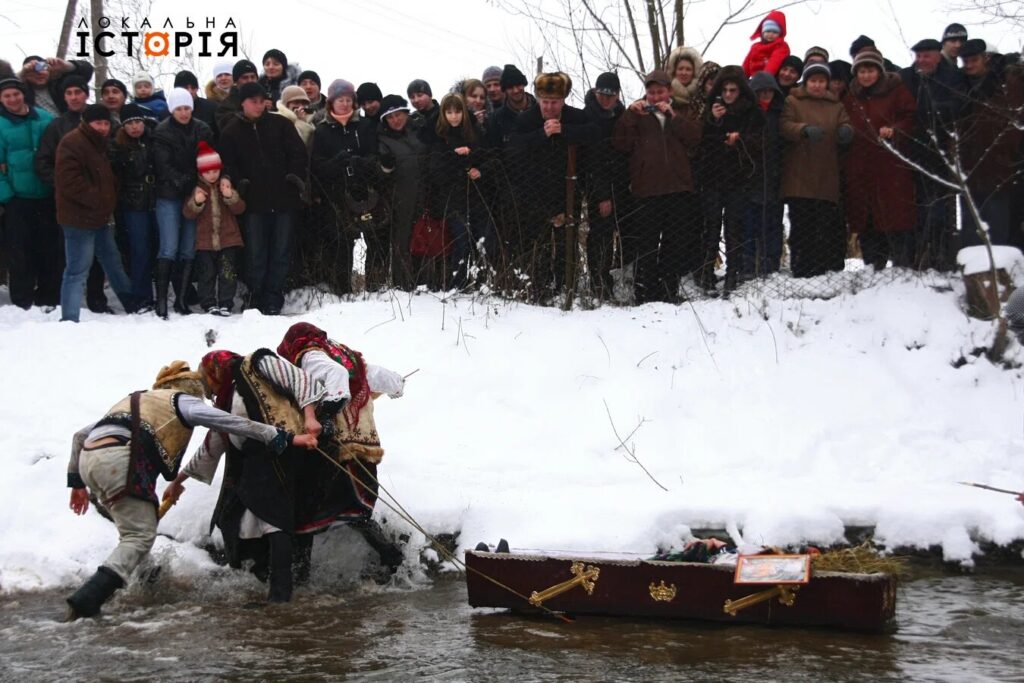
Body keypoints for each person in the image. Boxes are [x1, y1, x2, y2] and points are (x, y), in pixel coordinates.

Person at [66, 361, 318, 619]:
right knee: (138, 537)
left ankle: (147, 582)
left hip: (90, 460)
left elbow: (79, 436)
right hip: (121, 461)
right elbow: (230, 422)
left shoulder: (138, 400)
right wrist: (281, 437)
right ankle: (88, 599)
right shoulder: (183, 401)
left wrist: (76, 483)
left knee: (134, 532)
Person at [166, 350, 324, 603]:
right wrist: (178, 481)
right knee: (236, 518)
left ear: (216, 369)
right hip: (254, 462)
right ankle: (263, 582)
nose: (212, 389)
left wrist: (310, 417)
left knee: (275, 521)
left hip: (284, 451)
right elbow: (212, 446)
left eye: (210, 379)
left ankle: (280, 595)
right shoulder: (226, 399)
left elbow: (302, 380)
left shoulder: (258, 363)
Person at [275, 322, 407, 583]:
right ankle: (394, 560)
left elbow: (335, 376)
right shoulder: (346, 355)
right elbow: (382, 375)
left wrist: (327, 413)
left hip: (334, 447)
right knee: (356, 510)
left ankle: (299, 580)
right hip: (363, 449)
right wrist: (397, 387)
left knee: (305, 512)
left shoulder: (309, 355)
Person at [218, 82, 308, 315]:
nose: (259, 105)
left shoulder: (280, 124)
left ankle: (273, 294)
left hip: (284, 198)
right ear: (243, 103)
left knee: (281, 249)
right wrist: (242, 184)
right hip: (253, 202)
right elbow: (228, 163)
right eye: (253, 101)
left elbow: (299, 153)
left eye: (262, 101)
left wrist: (292, 178)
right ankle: (255, 294)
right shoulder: (232, 130)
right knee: (255, 252)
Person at [613, 70, 702, 303]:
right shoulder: (637, 114)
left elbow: (695, 138)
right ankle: (645, 293)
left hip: (678, 189)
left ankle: (668, 291)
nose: (655, 97)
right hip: (647, 190)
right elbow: (621, 144)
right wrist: (630, 116)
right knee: (648, 243)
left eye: (660, 91)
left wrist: (673, 116)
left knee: (674, 243)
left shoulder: (682, 111)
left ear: (669, 91)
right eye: (651, 92)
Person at [508, 72, 598, 301]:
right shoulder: (526, 119)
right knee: (539, 241)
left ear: (563, 100)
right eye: (545, 101)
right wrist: (542, 134)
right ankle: (539, 287)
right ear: (538, 99)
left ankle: (567, 287)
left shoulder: (575, 117)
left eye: (555, 102)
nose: (549, 107)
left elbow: (593, 135)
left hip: (568, 190)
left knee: (567, 240)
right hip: (534, 192)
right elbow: (513, 149)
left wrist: (565, 131)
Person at [55, 104, 141, 321]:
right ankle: (69, 317)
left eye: (105, 123)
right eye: (98, 123)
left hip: (100, 217)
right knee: (77, 269)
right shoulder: (72, 143)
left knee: (112, 262)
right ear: (86, 122)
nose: (102, 127)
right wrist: (99, 199)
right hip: (78, 218)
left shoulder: (99, 143)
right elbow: (69, 182)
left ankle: (131, 303)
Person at [34, 75, 110, 314]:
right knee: (69, 256)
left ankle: (97, 299)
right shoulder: (57, 126)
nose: (74, 97)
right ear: (64, 97)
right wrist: (63, 186)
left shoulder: (102, 121)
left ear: (86, 94)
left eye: (78, 92)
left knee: (99, 257)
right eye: (69, 93)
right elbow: (44, 162)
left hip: (99, 203)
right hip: (70, 204)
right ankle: (66, 305)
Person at [842, 48, 918, 269]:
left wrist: (895, 129)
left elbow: (910, 116)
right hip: (860, 166)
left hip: (890, 165)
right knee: (866, 219)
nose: (866, 76)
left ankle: (901, 265)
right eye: (862, 71)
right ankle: (872, 265)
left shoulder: (896, 90)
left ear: (879, 71)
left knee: (894, 216)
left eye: (870, 70)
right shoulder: (851, 96)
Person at [900, 38, 968, 270]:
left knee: (940, 210)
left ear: (938, 56)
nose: (921, 60)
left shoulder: (951, 78)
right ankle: (916, 258)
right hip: (911, 151)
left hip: (942, 153)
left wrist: (933, 110)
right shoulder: (908, 77)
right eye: (918, 56)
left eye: (926, 56)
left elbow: (959, 107)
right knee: (915, 208)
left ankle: (940, 257)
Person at [779, 63, 854, 277]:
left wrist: (846, 131)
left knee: (823, 226)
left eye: (821, 81)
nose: (817, 85)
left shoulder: (835, 105)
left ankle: (820, 269)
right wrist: (802, 130)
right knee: (801, 226)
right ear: (806, 81)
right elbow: (784, 125)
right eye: (813, 81)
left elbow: (846, 123)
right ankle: (800, 268)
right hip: (799, 175)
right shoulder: (793, 101)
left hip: (826, 175)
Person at [309, 78, 380, 295]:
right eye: (340, 99)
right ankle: (342, 288)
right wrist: (335, 163)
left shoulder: (365, 126)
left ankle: (375, 286)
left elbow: (374, 155)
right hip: (335, 195)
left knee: (374, 238)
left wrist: (360, 162)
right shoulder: (322, 131)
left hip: (364, 192)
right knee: (341, 242)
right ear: (331, 102)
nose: (345, 103)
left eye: (349, 99)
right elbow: (317, 165)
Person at [699, 65, 764, 292]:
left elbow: (759, 142)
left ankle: (732, 275)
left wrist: (740, 140)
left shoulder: (751, 112)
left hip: (739, 178)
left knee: (733, 228)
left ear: (740, 91)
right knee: (712, 227)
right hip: (713, 178)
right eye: (725, 89)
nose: (728, 94)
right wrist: (714, 122)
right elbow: (701, 142)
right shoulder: (711, 109)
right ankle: (707, 273)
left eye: (733, 90)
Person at [152, 87, 214, 318]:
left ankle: (181, 299)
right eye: (179, 108)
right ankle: (161, 302)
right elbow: (163, 166)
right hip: (169, 194)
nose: (184, 112)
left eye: (187, 107)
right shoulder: (161, 131)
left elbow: (208, 158)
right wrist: (187, 181)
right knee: (169, 247)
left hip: (195, 193)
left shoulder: (202, 129)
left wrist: (199, 183)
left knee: (188, 248)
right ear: (171, 109)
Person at [0, 76, 59, 310]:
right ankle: (22, 300)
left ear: (24, 94)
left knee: (49, 249)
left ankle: (48, 297)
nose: (13, 99)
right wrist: (6, 195)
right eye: (7, 96)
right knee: (20, 251)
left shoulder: (44, 119)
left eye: (16, 94)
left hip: (46, 194)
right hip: (17, 198)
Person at [957, 39, 1023, 248]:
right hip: (969, 164)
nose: (969, 65)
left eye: (973, 60)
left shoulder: (1006, 82)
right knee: (972, 225)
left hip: (1000, 163)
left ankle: (999, 267)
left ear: (985, 58)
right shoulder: (960, 83)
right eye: (965, 61)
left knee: (998, 223)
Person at [427, 93, 498, 290]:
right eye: (449, 112)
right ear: (443, 114)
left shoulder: (476, 132)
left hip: (478, 195)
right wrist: (454, 157)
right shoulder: (439, 136)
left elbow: (490, 158)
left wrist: (479, 170)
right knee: (462, 242)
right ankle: (458, 284)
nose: (454, 116)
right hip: (454, 199)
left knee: (483, 241)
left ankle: (484, 283)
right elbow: (435, 170)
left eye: (457, 111)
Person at [182, 142, 245, 315]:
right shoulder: (196, 189)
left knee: (228, 273)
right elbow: (188, 213)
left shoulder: (225, 186)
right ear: (201, 172)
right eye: (208, 172)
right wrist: (197, 202)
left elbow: (240, 208)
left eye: (215, 171)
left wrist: (230, 196)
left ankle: (226, 302)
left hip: (228, 239)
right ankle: (208, 303)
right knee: (206, 274)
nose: (212, 175)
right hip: (205, 242)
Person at [109, 103, 159, 309]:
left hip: (156, 199)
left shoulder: (154, 138)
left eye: (138, 122)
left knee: (160, 248)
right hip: (132, 203)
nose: (134, 127)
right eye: (129, 124)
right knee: (139, 250)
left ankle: (163, 294)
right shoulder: (117, 146)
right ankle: (142, 296)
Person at [583, 71, 627, 301]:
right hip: (596, 186)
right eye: (602, 93)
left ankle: (618, 278)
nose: (605, 98)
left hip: (622, 184)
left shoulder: (622, 115)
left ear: (618, 95)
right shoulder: (587, 116)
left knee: (621, 233)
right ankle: (598, 281)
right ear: (595, 92)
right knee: (600, 235)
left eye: (610, 94)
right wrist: (601, 195)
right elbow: (591, 160)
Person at [377, 94, 428, 291]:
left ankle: (426, 281)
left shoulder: (418, 132)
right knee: (402, 239)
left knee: (425, 236)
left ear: (407, 114)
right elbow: (381, 173)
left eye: (399, 114)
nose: (396, 120)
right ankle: (403, 284)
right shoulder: (383, 140)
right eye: (390, 117)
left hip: (425, 194)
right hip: (400, 198)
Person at [745, 71, 786, 277]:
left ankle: (772, 265)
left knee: (773, 225)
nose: (765, 95)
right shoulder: (747, 114)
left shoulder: (781, 113)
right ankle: (750, 266)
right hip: (751, 177)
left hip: (775, 175)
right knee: (750, 225)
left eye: (769, 91)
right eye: (761, 92)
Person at [17, 55, 94, 115]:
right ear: (25, 76)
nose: (39, 74)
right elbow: (6, 85)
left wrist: (66, 65)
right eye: (32, 72)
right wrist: (22, 73)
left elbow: (87, 70)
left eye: (42, 68)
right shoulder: (22, 92)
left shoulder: (59, 83)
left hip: (69, 125)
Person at [215, 59, 260, 133]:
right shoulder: (224, 106)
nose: (250, 81)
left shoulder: (265, 100)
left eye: (252, 77)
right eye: (245, 78)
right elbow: (228, 129)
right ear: (236, 81)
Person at [742, 10, 790, 77]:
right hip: (754, 79)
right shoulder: (755, 46)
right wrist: (741, 78)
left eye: (774, 32)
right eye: (768, 31)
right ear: (762, 33)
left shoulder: (781, 46)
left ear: (780, 34)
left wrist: (764, 79)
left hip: (770, 79)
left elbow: (774, 63)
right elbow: (746, 63)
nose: (770, 34)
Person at [174, 70, 219, 142]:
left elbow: (219, 137)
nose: (190, 91)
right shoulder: (168, 113)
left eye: (193, 87)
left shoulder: (211, 108)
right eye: (185, 88)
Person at [665, 46, 704, 115]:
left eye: (688, 69)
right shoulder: (664, 94)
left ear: (694, 72)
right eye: (680, 69)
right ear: (674, 71)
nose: (684, 73)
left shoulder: (702, 96)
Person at [275, 85, 316, 149]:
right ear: (286, 104)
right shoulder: (277, 121)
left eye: (304, 103)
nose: (301, 106)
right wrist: (300, 123)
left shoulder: (310, 123)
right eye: (296, 102)